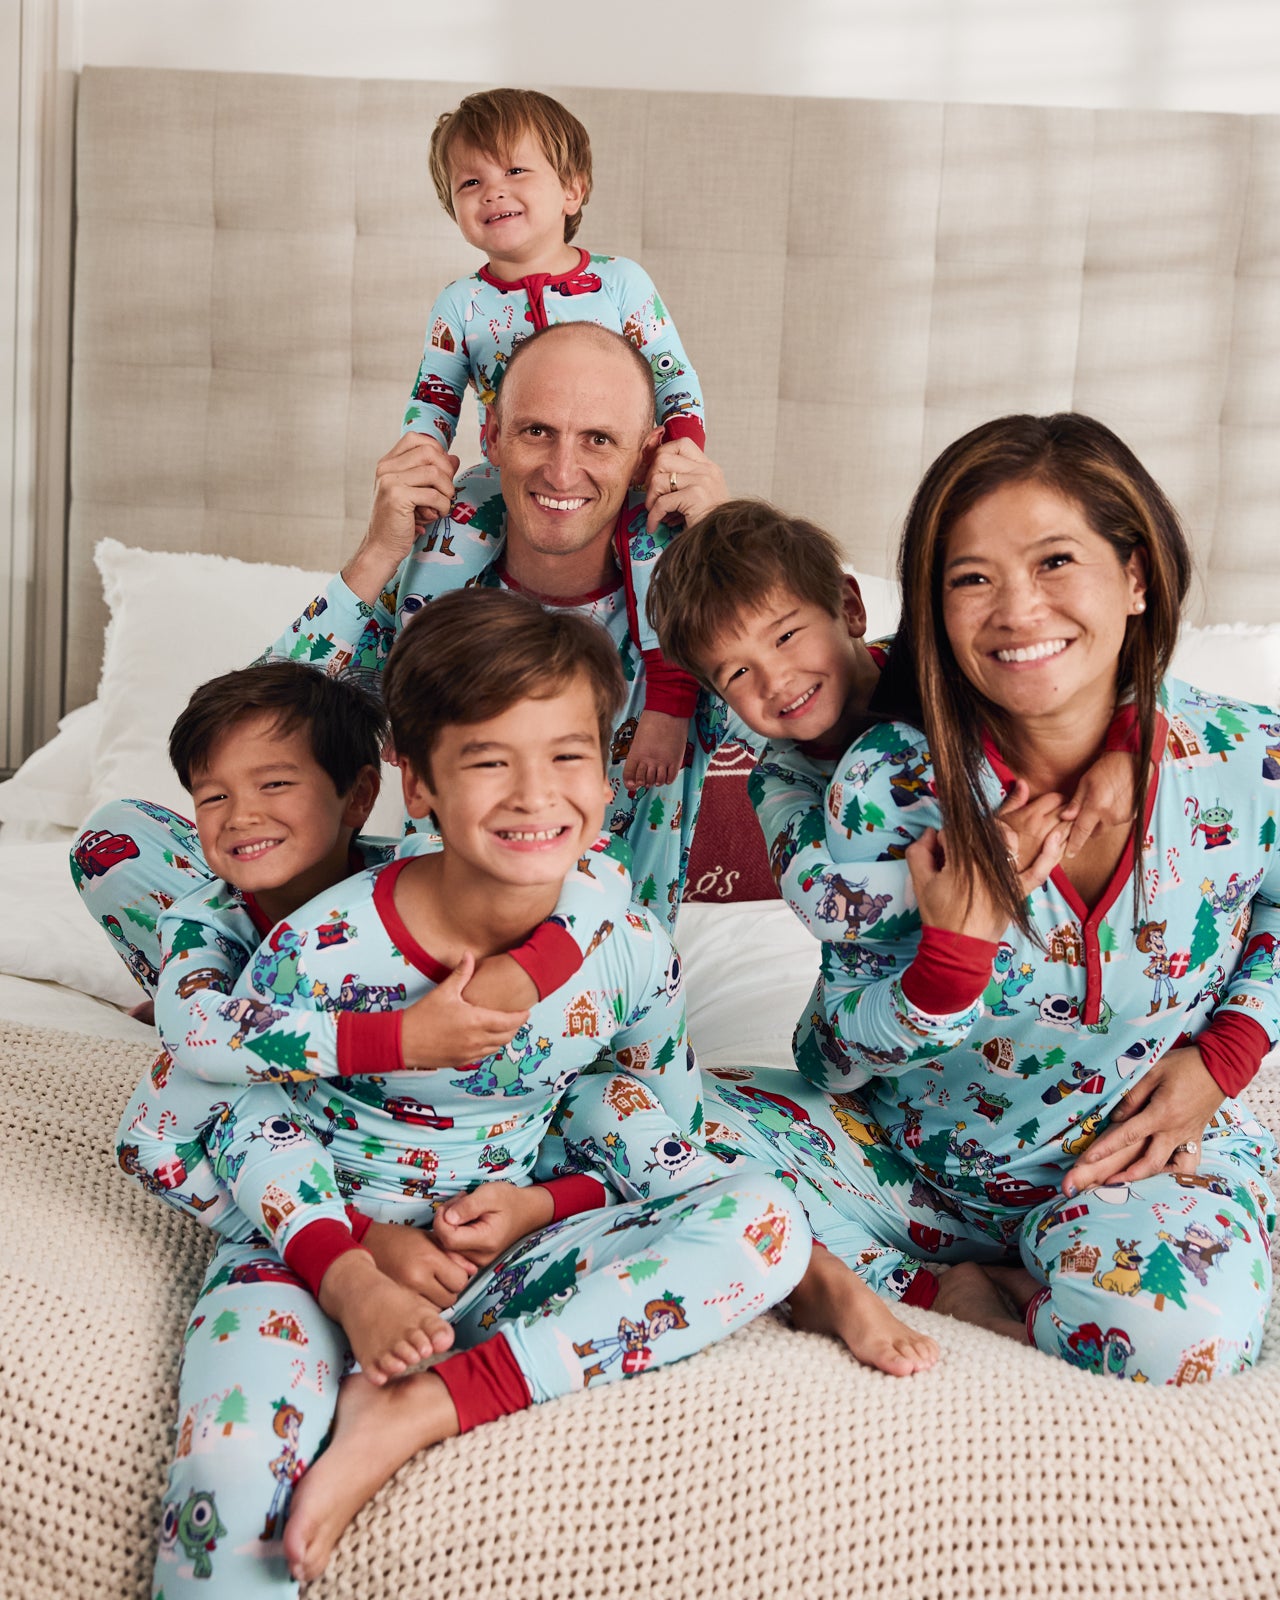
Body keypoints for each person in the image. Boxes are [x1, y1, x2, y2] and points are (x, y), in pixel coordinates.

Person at [151, 588, 810, 1597]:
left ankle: (424, 1406)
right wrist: (350, 1269)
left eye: (565, 755)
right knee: (227, 1490)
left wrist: (547, 1206)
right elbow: (236, 1118)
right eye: (487, 759)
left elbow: (656, 1127)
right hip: (307, 1252)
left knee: (765, 1223)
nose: (532, 794)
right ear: (415, 784)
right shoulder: (320, 948)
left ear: (604, 775)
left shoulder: (625, 948)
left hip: (497, 1256)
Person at [705, 417, 1277, 1383]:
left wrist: (1226, 1057)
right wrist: (945, 963)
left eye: (1057, 560)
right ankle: (925, 1281)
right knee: (625, 1106)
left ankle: (1074, 1253)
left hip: (1131, 1168)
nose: (1017, 608)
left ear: (1136, 576)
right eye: (971, 578)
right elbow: (834, 1050)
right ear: (934, 608)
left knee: (1181, 1336)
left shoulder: (1242, 757)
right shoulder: (885, 785)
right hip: (907, 1176)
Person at [106, 660, 634, 1384]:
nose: (240, 814)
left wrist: (529, 969)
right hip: (295, 1134)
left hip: (437, 1146)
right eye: (212, 796)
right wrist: (402, 1040)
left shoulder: (412, 870)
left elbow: (603, 866)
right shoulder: (201, 920)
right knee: (226, 1067)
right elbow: (194, 1037)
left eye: (275, 784)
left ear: (361, 795)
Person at [263, 318, 737, 927]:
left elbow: (810, 732)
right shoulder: (431, 578)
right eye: (537, 431)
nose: (562, 472)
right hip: (431, 925)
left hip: (599, 956)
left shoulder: (683, 611)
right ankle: (254, 979)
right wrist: (378, 553)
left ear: (646, 457)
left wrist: (724, 557)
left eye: (598, 439)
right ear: (490, 437)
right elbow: (251, 733)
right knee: (121, 842)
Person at [406, 86, 706, 795]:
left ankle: (667, 700)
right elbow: (434, 395)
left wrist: (679, 453)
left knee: (663, 558)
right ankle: (411, 686)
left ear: (573, 188)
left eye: (515, 171)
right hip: (503, 470)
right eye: (470, 182)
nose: (493, 192)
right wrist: (421, 461)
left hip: (623, 473)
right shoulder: (461, 304)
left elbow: (675, 377)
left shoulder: (621, 283)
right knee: (435, 548)